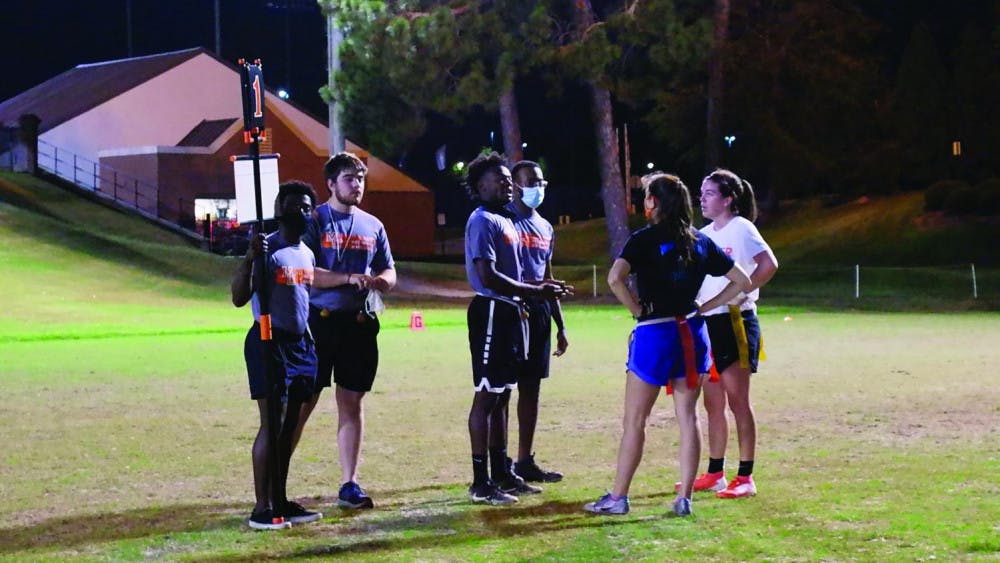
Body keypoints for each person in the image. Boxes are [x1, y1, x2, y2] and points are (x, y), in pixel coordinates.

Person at [583, 172, 751, 517]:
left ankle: (618, 497)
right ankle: (684, 498)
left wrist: (635, 310)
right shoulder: (699, 241)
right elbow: (743, 281)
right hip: (692, 334)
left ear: (654, 202)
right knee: (688, 417)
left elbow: (615, 278)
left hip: (655, 334)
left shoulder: (643, 239)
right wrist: (704, 307)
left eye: (646, 197)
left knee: (635, 420)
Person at [231, 180, 343, 530]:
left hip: (300, 345)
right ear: (279, 210)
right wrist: (250, 259)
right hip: (269, 342)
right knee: (272, 422)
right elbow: (238, 297)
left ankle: (280, 498)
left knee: (290, 424)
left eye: (306, 206)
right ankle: (262, 507)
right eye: (293, 206)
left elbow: (301, 299)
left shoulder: (306, 254)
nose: (301, 212)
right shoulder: (269, 250)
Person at [463, 152, 571, 505]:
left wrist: (544, 291)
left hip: (513, 312)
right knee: (488, 395)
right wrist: (534, 290)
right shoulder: (482, 220)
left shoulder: (506, 220)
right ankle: (481, 482)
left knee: (504, 394)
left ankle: (503, 472)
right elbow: (487, 275)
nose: (507, 183)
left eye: (509, 178)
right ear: (480, 186)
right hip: (494, 309)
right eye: (499, 178)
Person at [298, 152, 396, 510]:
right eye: (349, 179)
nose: (357, 185)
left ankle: (349, 483)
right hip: (320, 322)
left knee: (351, 402)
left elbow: (389, 270)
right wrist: (347, 278)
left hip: (359, 324)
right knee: (302, 402)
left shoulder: (373, 225)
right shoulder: (315, 221)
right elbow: (306, 272)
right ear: (330, 184)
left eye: (360, 179)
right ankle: (276, 480)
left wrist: (380, 282)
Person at [683, 168, 778, 499]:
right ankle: (715, 472)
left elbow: (769, 264)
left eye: (709, 193)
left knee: (738, 401)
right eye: (702, 192)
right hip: (709, 322)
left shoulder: (742, 228)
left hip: (736, 319)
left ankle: (746, 477)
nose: (702, 199)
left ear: (728, 199)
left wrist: (744, 291)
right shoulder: (704, 233)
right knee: (713, 403)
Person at [506, 160, 569, 485]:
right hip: (511, 309)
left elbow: (547, 276)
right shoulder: (503, 220)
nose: (538, 188)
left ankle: (524, 460)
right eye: (532, 182)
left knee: (532, 388)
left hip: (539, 311)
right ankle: (498, 464)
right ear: (515, 185)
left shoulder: (545, 226)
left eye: (542, 182)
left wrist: (560, 324)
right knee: (502, 389)